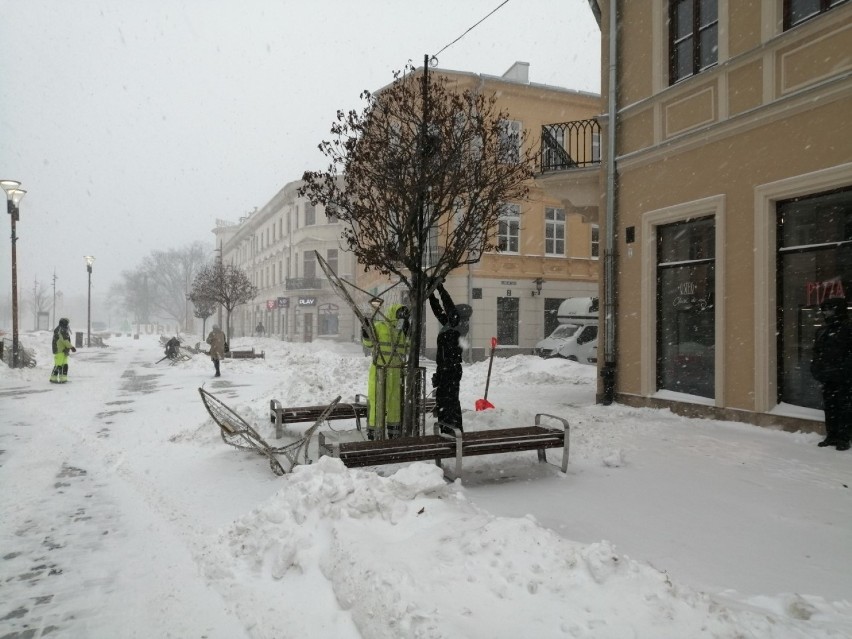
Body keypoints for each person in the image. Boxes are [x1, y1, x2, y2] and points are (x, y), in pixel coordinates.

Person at [362, 304, 410, 439]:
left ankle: (394, 432)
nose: (402, 317)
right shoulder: (380, 326)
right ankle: (375, 432)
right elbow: (368, 343)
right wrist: (365, 331)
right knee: (378, 401)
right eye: (400, 314)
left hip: (396, 372)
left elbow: (407, 347)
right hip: (380, 371)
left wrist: (408, 332)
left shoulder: (401, 331)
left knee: (395, 404)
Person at [810, 297, 852, 451]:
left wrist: (844, 370)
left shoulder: (848, 329)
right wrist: (815, 367)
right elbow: (817, 352)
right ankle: (832, 435)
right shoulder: (822, 331)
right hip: (828, 376)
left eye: (830, 309)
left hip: (844, 377)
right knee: (830, 406)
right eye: (825, 310)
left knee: (844, 407)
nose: (826, 313)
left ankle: (843, 438)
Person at [429, 283, 472, 433]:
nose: (448, 315)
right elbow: (438, 311)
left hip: (451, 368)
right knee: (443, 400)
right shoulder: (449, 325)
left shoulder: (458, 325)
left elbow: (448, 306)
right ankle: (447, 429)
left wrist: (440, 288)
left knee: (450, 401)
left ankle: (453, 430)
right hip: (445, 368)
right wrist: (431, 294)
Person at [50, 318, 76, 383]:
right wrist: (71, 347)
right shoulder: (62, 330)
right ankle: (56, 378)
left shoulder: (60, 329)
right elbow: (65, 340)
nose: (68, 325)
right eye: (67, 323)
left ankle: (61, 379)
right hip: (60, 350)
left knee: (64, 365)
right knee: (59, 365)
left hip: (63, 350)